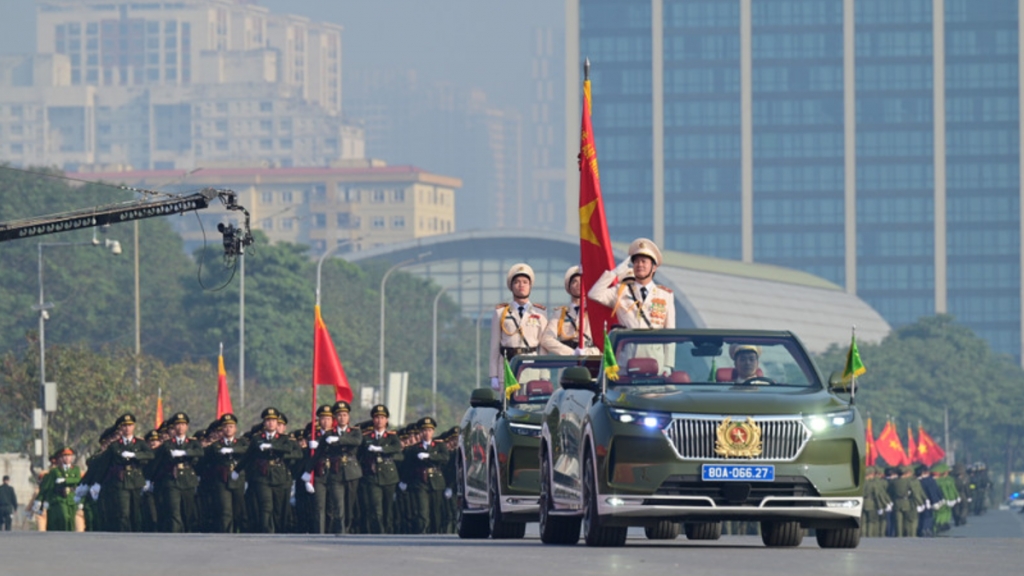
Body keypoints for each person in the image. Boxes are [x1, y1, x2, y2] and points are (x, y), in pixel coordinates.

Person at [588, 238, 676, 374]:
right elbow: (594, 293)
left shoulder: (665, 295)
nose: (639, 265)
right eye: (636, 261)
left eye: (643, 261)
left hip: (655, 363)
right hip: (627, 362)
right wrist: (614, 273)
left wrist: (668, 365)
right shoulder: (621, 291)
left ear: (654, 267)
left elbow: (670, 333)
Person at [489, 263, 548, 391]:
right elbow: (494, 346)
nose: (521, 285)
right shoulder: (501, 312)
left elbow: (543, 347)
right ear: (511, 286)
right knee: (507, 407)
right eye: (517, 282)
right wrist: (493, 375)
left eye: (525, 282)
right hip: (507, 367)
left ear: (530, 286)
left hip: (531, 368)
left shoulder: (540, 313)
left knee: (530, 407)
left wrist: (544, 374)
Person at [236, 407, 295, 533]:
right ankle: (267, 532)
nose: (271, 423)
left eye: (273, 420)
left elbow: (288, 449)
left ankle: (278, 532)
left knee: (278, 509)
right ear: (264, 422)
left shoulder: (283, 438)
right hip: (262, 476)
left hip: (279, 476)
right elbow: (248, 456)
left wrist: (271, 446)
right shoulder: (257, 439)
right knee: (266, 506)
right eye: (268, 420)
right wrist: (236, 470)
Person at [93, 413, 154, 532]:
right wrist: (97, 482)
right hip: (120, 481)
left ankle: (136, 534)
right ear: (121, 428)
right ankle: (124, 535)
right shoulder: (115, 445)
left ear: (134, 426)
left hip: (136, 479)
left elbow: (150, 455)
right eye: (124, 426)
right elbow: (110, 461)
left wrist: (135, 455)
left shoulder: (140, 443)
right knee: (123, 512)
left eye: (130, 425)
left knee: (135, 512)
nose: (127, 428)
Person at [151, 412, 203, 532]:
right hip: (172, 481)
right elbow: (157, 462)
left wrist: (185, 453)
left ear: (187, 427)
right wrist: (150, 479)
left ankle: (187, 535)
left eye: (183, 424)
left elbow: (200, 452)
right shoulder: (167, 444)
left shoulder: (193, 443)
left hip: (188, 480)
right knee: (174, 513)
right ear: (174, 427)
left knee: (188, 513)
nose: (180, 427)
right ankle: (175, 537)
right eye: (178, 424)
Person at [359, 404, 403, 534]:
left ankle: (388, 532)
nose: (379, 420)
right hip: (372, 476)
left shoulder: (392, 437)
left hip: (389, 476)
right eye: (377, 417)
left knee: (388, 508)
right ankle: (378, 532)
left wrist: (382, 449)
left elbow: (397, 448)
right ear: (373, 420)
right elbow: (360, 455)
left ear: (387, 420)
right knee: (376, 508)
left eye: (382, 417)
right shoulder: (366, 438)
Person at [403, 416, 450, 534]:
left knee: (436, 512)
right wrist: (405, 481)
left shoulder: (439, 446)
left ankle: (436, 534)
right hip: (420, 482)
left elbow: (445, 458)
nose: (427, 433)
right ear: (420, 432)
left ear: (433, 431)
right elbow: (408, 466)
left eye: (429, 430)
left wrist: (430, 456)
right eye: (424, 430)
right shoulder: (413, 449)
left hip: (436, 481)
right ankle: (422, 533)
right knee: (422, 512)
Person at [541, 265, 600, 356]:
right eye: (574, 282)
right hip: (567, 362)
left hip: (590, 360)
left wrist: (587, 353)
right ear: (569, 287)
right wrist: (571, 353)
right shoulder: (560, 313)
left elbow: (604, 341)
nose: (578, 285)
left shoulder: (594, 312)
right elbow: (547, 339)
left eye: (582, 281)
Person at [205, 413, 248, 533]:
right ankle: (226, 534)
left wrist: (232, 450)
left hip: (238, 478)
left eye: (231, 426)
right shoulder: (216, 445)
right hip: (222, 479)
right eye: (225, 427)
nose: (228, 429)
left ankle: (238, 532)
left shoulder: (242, 443)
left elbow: (246, 451)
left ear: (235, 428)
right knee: (225, 510)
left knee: (238, 509)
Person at [36, 447, 81, 532]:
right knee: (64, 517)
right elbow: (47, 486)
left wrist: (65, 480)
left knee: (70, 521)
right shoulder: (55, 471)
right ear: (61, 458)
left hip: (71, 498)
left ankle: (69, 536)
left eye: (69, 456)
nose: (67, 458)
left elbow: (78, 480)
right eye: (65, 456)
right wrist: (40, 499)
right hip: (60, 498)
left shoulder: (76, 469)